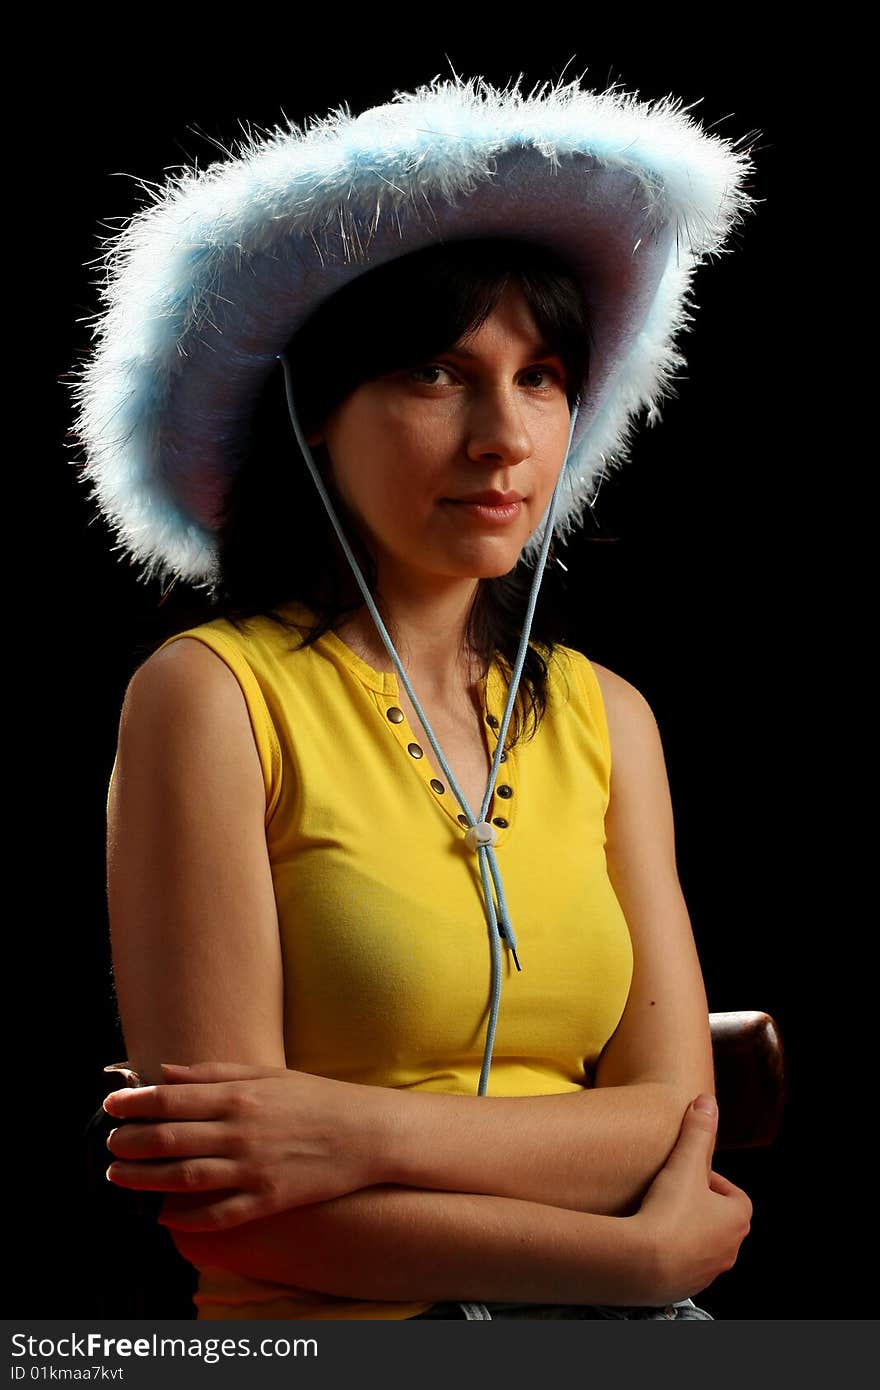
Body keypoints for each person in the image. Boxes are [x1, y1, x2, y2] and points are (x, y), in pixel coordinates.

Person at [70, 71, 759, 1320]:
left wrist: (349, 1131)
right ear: (315, 415)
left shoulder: (610, 717)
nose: (505, 435)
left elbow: (674, 1117)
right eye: (438, 373)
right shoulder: (211, 693)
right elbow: (230, 1195)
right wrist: (634, 1260)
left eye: (541, 374)